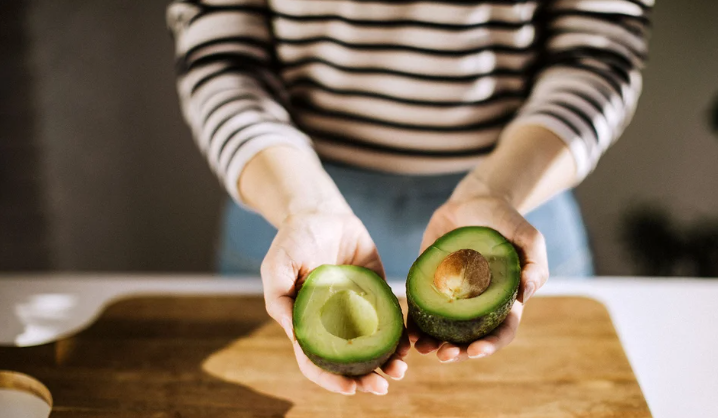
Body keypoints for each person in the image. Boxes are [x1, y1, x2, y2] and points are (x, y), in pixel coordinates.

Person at [167, 0, 651, 395]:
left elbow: (598, 52)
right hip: (289, 199)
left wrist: (495, 188)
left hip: (514, 192)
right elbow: (221, 57)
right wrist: (305, 206)